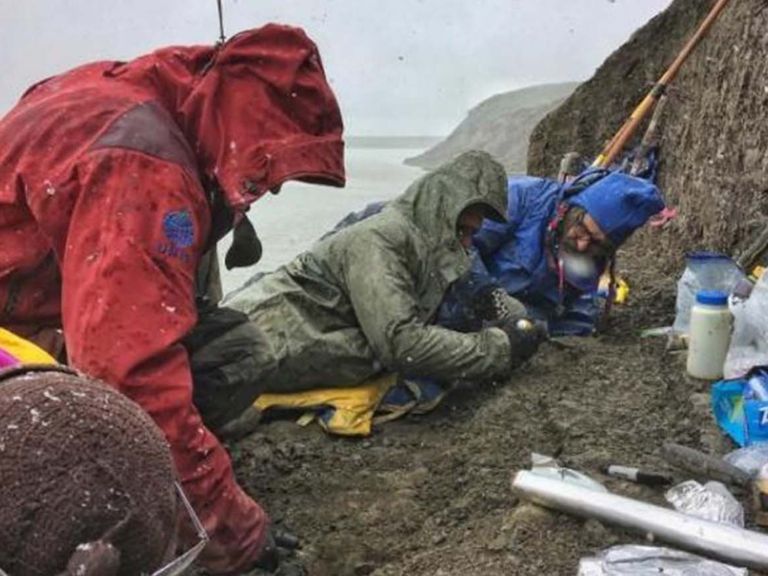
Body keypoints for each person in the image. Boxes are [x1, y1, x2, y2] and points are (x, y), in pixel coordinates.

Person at [0, 24, 345, 574]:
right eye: (269, 166)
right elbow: (131, 374)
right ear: (245, 123)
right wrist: (234, 534)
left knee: (233, 349)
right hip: (14, 359)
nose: (273, 187)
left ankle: (169, 482)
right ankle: (132, 498)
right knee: (97, 468)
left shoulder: (142, 96)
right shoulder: (144, 166)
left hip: (36, 319)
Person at [192, 151, 547, 435]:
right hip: (256, 338)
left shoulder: (428, 244)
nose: (468, 243)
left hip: (287, 342)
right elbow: (402, 344)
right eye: (463, 230)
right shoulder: (380, 240)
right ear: (442, 210)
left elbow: (472, 287)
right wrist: (500, 347)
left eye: (473, 234)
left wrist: (517, 318)